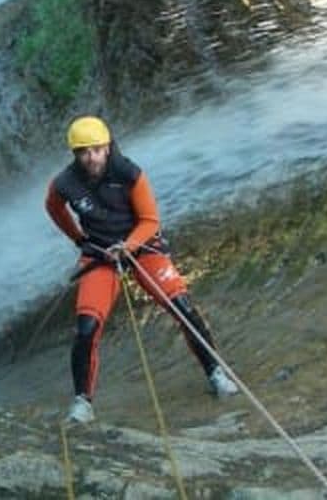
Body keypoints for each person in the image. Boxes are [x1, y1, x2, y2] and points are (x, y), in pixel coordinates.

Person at [45, 116, 239, 424]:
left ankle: (215, 372)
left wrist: (129, 245)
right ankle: (83, 401)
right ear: (75, 154)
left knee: (183, 307)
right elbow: (53, 207)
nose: (91, 157)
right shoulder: (65, 183)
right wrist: (79, 238)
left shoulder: (129, 173)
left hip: (143, 248)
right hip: (100, 255)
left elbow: (150, 221)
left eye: (96, 149)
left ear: (107, 147)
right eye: (83, 151)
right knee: (86, 328)